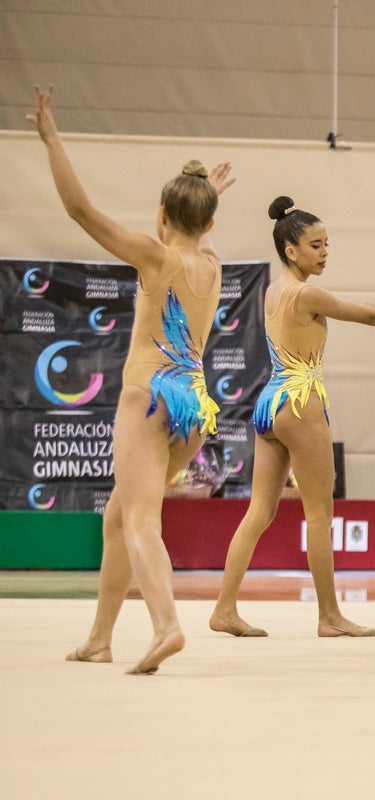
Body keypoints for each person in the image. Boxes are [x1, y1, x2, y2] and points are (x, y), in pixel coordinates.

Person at [28, 85, 237, 674]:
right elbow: (200, 222)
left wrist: (52, 139)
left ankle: (167, 625)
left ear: (163, 216)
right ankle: (99, 637)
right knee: (118, 515)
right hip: (193, 406)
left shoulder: (156, 255)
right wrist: (207, 190)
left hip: (148, 398)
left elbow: (80, 211)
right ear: (210, 218)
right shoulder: (212, 263)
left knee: (142, 519)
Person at [209, 196, 375, 638]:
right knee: (319, 513)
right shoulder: (305, 292)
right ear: (291, 251)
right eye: (315, 245)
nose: (325, 252)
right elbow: (367, 315)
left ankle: (224, 608)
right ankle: (329, 616)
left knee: (260, 509)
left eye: (327, 244)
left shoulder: (274, 289)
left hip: (270, 399)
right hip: (300, 400)